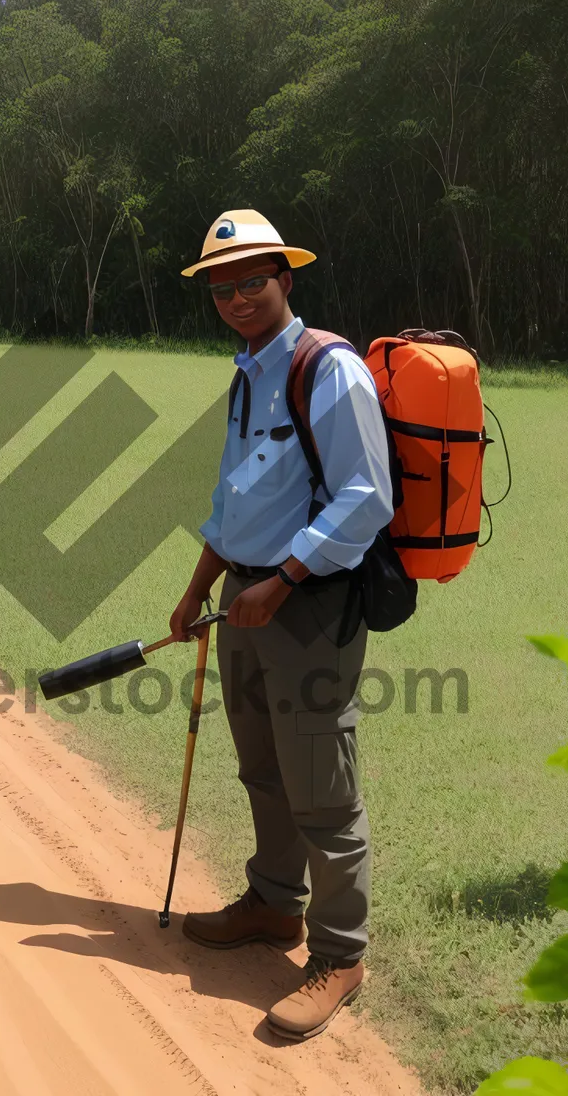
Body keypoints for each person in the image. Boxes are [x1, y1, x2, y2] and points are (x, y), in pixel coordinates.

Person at [168, 209, 395, 1041]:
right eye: (222, 286)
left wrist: (288, 577)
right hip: (243, 604)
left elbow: (368, 498)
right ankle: (272, 905)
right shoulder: (245, 373)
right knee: (262, 766)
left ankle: (341, 954)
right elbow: (236, 501)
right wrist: (200, 588)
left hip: (307, 609)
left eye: (251, 280)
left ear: (284, 280)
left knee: (321, 787)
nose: (236, 296)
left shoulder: (325, 368)